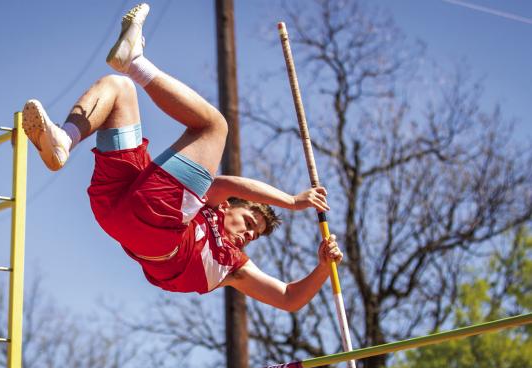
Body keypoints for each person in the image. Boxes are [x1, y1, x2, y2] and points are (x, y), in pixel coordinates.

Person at [22, 3, 343, 312]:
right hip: (121, 206)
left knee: (214, 126)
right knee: (118, 88)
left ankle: (135, 62)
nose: (247, 235)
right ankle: (64, 139)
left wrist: (323, 267)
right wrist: (292, 200)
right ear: (228, 206)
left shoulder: (233, 265)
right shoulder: (210, 204)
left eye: (253, 236)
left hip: (155, 234)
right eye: (248, 223)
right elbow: (223, 183)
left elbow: (288, 298)